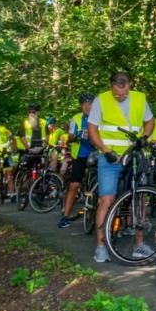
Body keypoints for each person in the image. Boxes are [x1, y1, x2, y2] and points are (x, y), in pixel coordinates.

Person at [87, 72, 154, 262]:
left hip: (133, 154)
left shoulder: (140, 98)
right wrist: (104, 150)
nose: (121, 96)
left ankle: (139, 245)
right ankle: (101, 246)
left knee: (138, 197)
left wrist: (144, 138)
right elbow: (92, 129)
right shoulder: (101, 100)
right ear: (111, 86)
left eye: (125, 93)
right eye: (117, 93)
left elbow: (149, 121)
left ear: (129, 85)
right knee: (106, 200)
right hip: (110, 157)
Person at [58, 94, 96, 228]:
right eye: (84, 104)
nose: (87, 106)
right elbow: (70, 138)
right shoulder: (76, 118)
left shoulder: (100, 117)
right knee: (74, 186)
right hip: (80, 155)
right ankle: (65, 216)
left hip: (97, 154)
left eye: (90, 104)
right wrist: (77, 135)